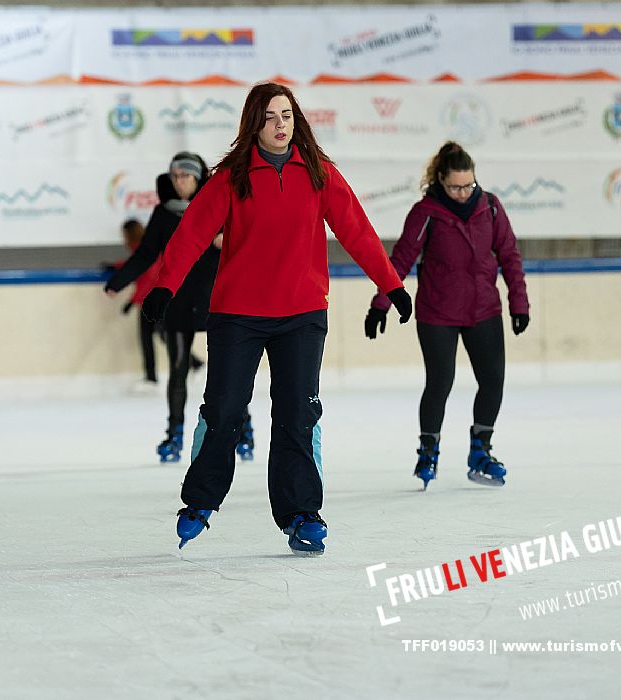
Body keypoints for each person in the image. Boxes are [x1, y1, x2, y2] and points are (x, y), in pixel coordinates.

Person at [142, 83, 411, 554]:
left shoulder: (319, 174)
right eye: (270, 116)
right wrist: (164, 285)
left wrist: (389, 283)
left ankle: (302, 512)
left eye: (286, 115)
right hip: (237, 314)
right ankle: (200, 502)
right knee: (223, 409)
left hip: (302, 314)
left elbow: (357, 231)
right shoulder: (231, 177)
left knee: (297, 414)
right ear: (254, 122)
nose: (280, 124)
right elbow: (191, 235)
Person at [364, 141, 529, 490]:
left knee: (493, 379)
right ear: (440, 180)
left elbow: (510, 256)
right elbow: (401, 259)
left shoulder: (491, 208)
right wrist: (381, 303)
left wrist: (520, 303)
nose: (462, 192)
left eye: (468, 185)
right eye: (455, 186)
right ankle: (428, 450)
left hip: (483, 308)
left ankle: (480, 451)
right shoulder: (426, 212)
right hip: (438, 311)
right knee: (440, 382)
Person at [105, 153, 251, 463]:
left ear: (199, 179)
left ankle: (244, 430)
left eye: (186, 176)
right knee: (178, 369)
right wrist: (119, 281)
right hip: (179, 299)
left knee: (228, 371)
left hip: (216, 297)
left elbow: (246, 240)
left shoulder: (216, 205)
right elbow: (146, 253)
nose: (180, 182)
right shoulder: (163, 214)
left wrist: (225, 239)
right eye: (176, 176)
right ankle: (174, 435)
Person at [107, 218, 163, 392]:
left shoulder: (145, 249)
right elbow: (133, 265)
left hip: (156, 300)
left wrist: (132, 302)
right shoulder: (143, 248)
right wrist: (115, 266)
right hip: (151, 300)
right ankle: (151, 376)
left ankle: (196, 364)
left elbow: (148, 278)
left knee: (164, 335)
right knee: (149, 337)